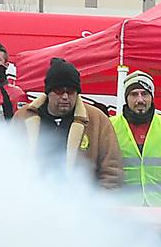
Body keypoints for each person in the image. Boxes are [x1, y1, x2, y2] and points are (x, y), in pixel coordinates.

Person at [15, 57, 121, 189]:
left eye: (70, 91)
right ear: (48, 92)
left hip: (80, 204)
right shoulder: (23, 117)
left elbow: (111, 170)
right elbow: (7, 161)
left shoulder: (97, 120)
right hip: (32, 200)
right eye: (59, 91)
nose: (65, 97)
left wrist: (98, 204)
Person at [112, 69, 161, 207]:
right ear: (126, 98)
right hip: (124, 210)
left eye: (145, 94)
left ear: (152, 97)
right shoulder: (110, 126)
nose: (140, 99)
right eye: (134, 94)